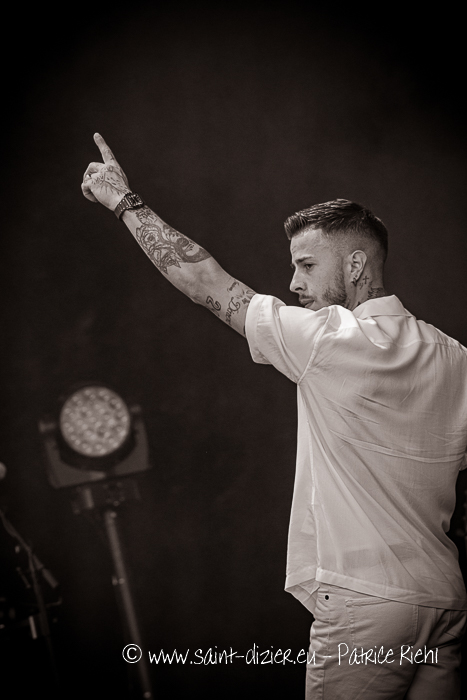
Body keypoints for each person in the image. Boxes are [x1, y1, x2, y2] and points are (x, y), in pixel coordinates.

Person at [82, 133, 467, 699]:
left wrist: (123, 201)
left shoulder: (329, 340)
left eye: (307, 265)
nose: (293, 283)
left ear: (356, 264)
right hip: (446, 602)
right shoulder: (454, 357)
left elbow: (206, 283)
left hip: (365, 601)